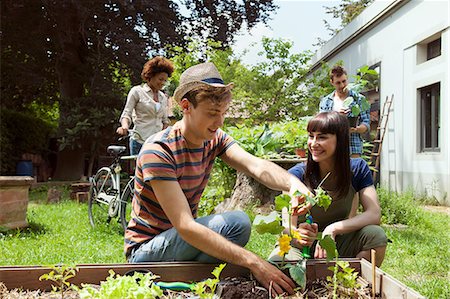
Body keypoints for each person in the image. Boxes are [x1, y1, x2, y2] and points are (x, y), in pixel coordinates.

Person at [124, 62, 313, 296]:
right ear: (186, 107)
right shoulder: (159, 150)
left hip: (180, 242)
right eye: (213, 114)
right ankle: (168, 278)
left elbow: (255, 165)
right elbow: (185, 226)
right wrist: (254, 263)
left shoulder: (213, 138)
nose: (220, 122)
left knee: (239, 228)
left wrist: (294, 185)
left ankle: (188, 282)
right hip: (146, 252)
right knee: (236, 223)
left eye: (223, 113)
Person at [268, 111, 387, 267]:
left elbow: (374, 214)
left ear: (341, 140)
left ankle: (353, 283)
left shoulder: (357, 169)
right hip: (301, 245)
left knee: (375, 236)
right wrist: (298, 234)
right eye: (311, 136)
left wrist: (333, 229)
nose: (314, 143)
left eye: (322, 137)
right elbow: (287, 227)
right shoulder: (296, 175)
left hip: (338, 241)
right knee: (276, 264)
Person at [117, 56, 174, 155]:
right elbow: (127, 114)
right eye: (160, 79)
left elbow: (165, 121)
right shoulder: (137, 92)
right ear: (150, 76)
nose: (162, 83)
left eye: (165, 80)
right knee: (139, 170)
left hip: (156, 144)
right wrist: (124, 127)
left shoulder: (163, 98)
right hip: (139, 141)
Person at [319, 65, 370, 158]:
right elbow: (322, 125)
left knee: (353, 171)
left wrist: (357, 129)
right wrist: (336, 116)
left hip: (353, 147)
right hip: (331, 148)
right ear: (332, 82)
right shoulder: (326, 102)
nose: (342, 85)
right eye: (338, 83)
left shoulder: (359, 99)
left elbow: (366, 124)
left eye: (344, 81)